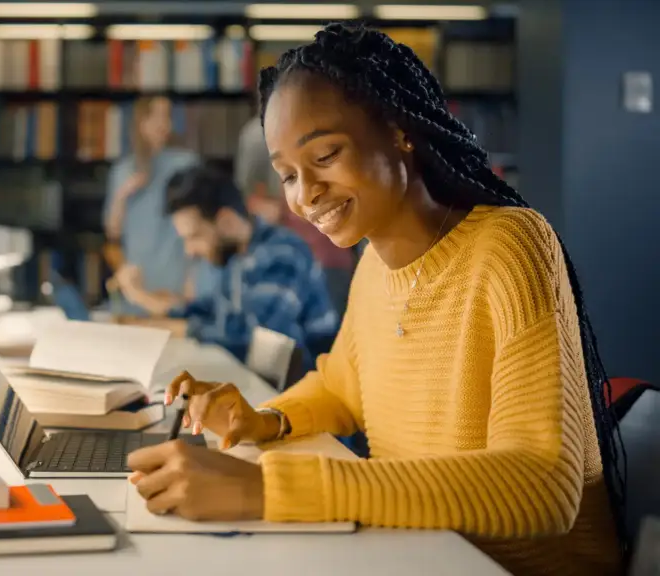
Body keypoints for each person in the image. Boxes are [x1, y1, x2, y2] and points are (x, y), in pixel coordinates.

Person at [124, 25, 626, 576]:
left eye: (325, 155)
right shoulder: (372, 265)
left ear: (399, 131)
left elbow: (541, 488)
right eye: (287, 175)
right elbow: (342, 388)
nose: (305, 194)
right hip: (420, 552)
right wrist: (263, 418)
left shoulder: (510, 246)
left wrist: (269, 488)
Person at [113, 164, 339, 366]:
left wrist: (175, 329)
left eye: (195, 236)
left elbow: (256, 339)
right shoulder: (239, 256)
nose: (189, 251)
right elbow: (216, 310)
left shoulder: (280, 255)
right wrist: (146, 301)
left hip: (306, 392)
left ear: (226, 221)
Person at [102, 96, 219, 315]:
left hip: (174, 278)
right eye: (156, 116)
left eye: (167, 116)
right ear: (140, 122)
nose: (163, 124)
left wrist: (193, 277)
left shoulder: (186, 163)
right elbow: (112, 233)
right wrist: (121, 196)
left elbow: (203, 226)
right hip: (137, 283)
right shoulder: (123, 171)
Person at [236, 114, 356, 316]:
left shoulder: (258, 134)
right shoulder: (257, 136)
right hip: (299, 256)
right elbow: (251, 199)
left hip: (326, 255)